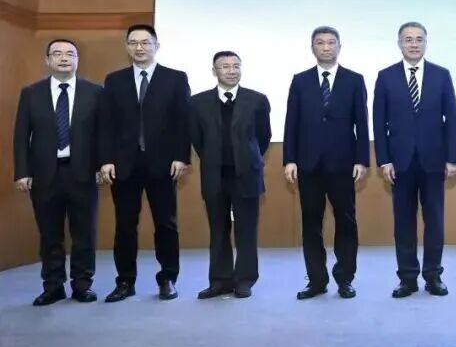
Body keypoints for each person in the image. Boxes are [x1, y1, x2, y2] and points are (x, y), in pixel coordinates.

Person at [98, 24, 191, 302]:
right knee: (125, 226)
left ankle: (168, 279)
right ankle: (125, 281)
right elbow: (106, 124)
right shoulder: (114, 80)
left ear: (156, 46)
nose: (139, 47)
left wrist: (181, 156)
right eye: (134, 43)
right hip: (124, 164)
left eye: (145, 42)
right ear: (127, 47)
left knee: (166, 225)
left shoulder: (175, 78)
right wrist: (106, 160)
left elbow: (183, 121)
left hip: (163, 164)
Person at [13, 39, 102, 305]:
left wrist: (102, 165)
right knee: (50, 234)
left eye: (70, 54)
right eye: (57, 54)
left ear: (77, 60)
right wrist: (22, 171)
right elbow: (21, 136)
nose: (64, 58)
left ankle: (82, 284)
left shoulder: (95, 92)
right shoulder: (31, 93)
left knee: (84, 233)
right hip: (44, 175)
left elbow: (104, 134)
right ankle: (53, 286)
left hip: (83, 173)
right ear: (47, 60)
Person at [373, 22, 456, 298]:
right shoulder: (385, 77)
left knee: (435, 221)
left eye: (418, 39)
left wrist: (452, 157)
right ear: (399, 43)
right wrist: (384, 160)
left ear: (425, 43)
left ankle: (433, 276)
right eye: (408, 39)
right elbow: (378, 122)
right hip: (399, 162)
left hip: (434, 160)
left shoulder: (441, 75)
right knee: (403, 222)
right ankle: (407, 278)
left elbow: (452, 117)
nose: (413, 44)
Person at [283, 25, 369, 300]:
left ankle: (345, 279)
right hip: (308, 164)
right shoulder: (300, 80)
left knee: (346, 221)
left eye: (331, 42)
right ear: (312, 48)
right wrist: (289, 159)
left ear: (339, 47)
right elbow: (291, 122)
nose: (326, 47)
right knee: (311, 223)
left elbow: (362, 123)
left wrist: (362, 159)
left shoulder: (354, 80)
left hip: (343, 164)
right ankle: (316, 280)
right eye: (320, 43)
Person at [189, 51, 271, 299]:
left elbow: (263, 137)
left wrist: (247, 157)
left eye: (236, 66)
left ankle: (245, 280)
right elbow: (197, 140)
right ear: (214, 71)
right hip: (214, 175)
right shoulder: (197, 102)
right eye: (225, 66)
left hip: (246, 175)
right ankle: (220, 281)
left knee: (246, 230)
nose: (231, 70)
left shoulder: (257, 100)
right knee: (218, 230)